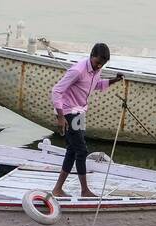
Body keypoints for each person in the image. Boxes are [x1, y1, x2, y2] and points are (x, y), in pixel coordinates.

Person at [50, 43, 124, 198]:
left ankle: (58, 189)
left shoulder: (97, 69)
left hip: (80, 112)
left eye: (102, 64)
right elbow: (56, 90)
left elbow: (96, 85)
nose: (99, 66)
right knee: (81, 151)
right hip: (69, 112)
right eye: (97, 62)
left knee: (72, 149)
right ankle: (85, 191)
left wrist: (114, 80)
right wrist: (60, 117)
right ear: (91, 56)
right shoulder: (77, 70)